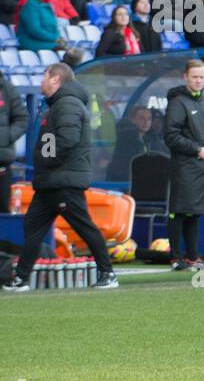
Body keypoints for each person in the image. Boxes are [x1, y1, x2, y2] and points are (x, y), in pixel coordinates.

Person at [3, 65, 117, 291]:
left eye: (44, 76)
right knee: (33, 226)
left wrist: (46, 159)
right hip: (51, 181)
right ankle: (21, 279)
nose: (41, 81)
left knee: (84, 227)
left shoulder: (68, 104)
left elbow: (67, 139)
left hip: (64, 181)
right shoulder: (59, 105)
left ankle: (108, 273)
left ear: (55, 79)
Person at [164, 60, 204, 271]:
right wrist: (196, 149)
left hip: (203, 167)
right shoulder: (178, 102)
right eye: (194, 76)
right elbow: (171, 136)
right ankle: (176, 258)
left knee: (194, 212)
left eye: (202, 77)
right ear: (185, 76)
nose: (198, 80)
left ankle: (193, 257)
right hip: (185, 166)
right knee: (179, 211)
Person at [0, 66, 29, 213]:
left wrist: (5, 138)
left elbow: (22, 118)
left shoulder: (6, 88)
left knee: (2, 209)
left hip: (2, 160)